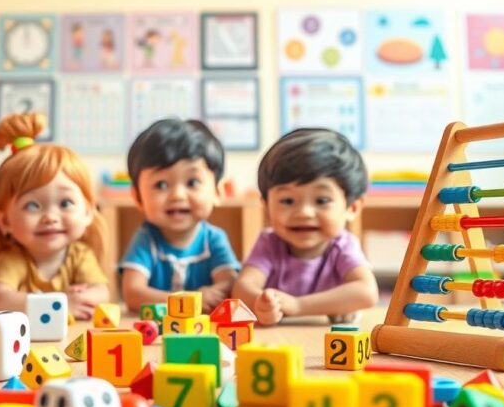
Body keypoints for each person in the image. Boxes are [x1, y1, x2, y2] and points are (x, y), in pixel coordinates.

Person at [232, 128, 378, 325]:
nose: (304, 213)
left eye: (322, 200)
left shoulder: (343, 245)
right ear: (266, 207)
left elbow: (367, 292)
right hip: (278, 336)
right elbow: (242, 288)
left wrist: (297, 305)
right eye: (287, 201)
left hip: (324, 336)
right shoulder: (269, 243)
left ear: (352, 207)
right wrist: (260, 303)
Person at [0, 113, 110, 319]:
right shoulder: (15, 258)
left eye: (65, 203)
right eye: (32, 206)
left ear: (87, 212)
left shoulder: (79, 255)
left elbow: (102, 293)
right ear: (5, 221)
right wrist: (60, 304)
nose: (50, 217)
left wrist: (85, 296)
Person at [119, 118, 239, 313]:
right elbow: (132, 293)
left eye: (192, 182)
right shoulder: (146, 239)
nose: (177, 195)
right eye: (161, 185)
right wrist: (191, 300)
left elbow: (230, 284)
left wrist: (215, 293)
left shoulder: (214, 239)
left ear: (217, 192)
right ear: (137, 197)